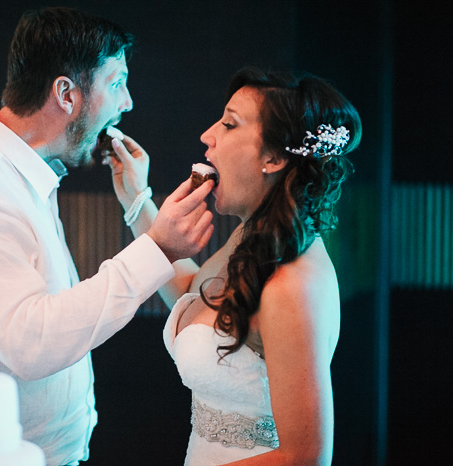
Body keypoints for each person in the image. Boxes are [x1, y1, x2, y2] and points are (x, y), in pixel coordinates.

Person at [0, 7, 214, 466]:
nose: (128, 103)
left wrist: (138, 202)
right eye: (116, 82)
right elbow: (30, 341)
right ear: (66, 94)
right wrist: (155, 249)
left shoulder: (21, 177)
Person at [105, 67, 362, 465]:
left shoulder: (292, 285)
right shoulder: (254, 237)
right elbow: (197, 293)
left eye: (228, 123)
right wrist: (137, 200)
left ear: (274, 157)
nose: (208, 135)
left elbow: (306, 457)